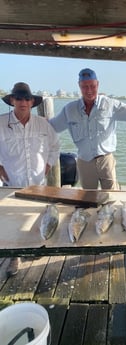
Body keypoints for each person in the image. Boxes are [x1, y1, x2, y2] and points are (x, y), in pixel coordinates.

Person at [0, 82, 60, 277]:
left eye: (27, 98)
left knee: (35, 217)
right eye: (18, 98)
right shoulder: (1, 123)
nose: (23, 102)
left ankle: (33, 248)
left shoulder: (43, 124)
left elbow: (55, 146)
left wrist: (48, 165)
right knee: (12, 221)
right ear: (11, 100)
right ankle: (14, 258)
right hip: (12, 182)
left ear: (32, 101)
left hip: (37, 183)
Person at [50, 68, 126, 190]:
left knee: (111, 197)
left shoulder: (110, 104)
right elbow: (51, 127)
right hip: (84, 161)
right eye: (85, 86)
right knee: (88, 199)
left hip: (106, 159)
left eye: (92, 86)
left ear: (97, 84)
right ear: (79, 86)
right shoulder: (69, 109)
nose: (89, 90)